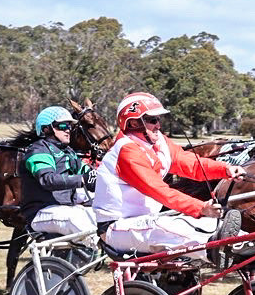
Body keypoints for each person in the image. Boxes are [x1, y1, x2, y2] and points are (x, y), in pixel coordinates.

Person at [92, 92, 235, 252]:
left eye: (159, 119)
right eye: (152, 120)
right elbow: (159, 191)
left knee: (200, 223)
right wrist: (201, 208)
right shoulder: (126, 151)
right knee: (165, 226)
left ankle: (240, 242)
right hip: (117, 226)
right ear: (133, 123)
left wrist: (226, 169)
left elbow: (193, 165)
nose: (158, 125)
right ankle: (217, 249)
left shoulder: (159, 141)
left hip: (144, 220)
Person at [19, 105, 98, 239]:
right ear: (46, 129)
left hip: (65, 208)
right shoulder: (38, 150)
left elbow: (88, 173)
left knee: (101, 214)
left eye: (70, 126)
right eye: (62, 126)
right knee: (78, 221)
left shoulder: (68, 152)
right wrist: (82, 179)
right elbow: (48, 180)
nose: (68, 130)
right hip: (41, 211)